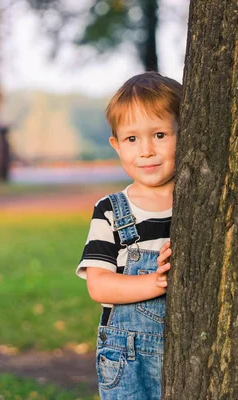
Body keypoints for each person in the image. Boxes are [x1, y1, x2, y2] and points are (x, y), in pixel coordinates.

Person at [76, 71, 181, 399]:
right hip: (129, 356)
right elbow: (99, 284)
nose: (146, 150)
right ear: (117, 145)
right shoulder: (110, 210)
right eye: (132, 139)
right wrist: (156, 282)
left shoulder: (196, 205)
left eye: (160, 134)